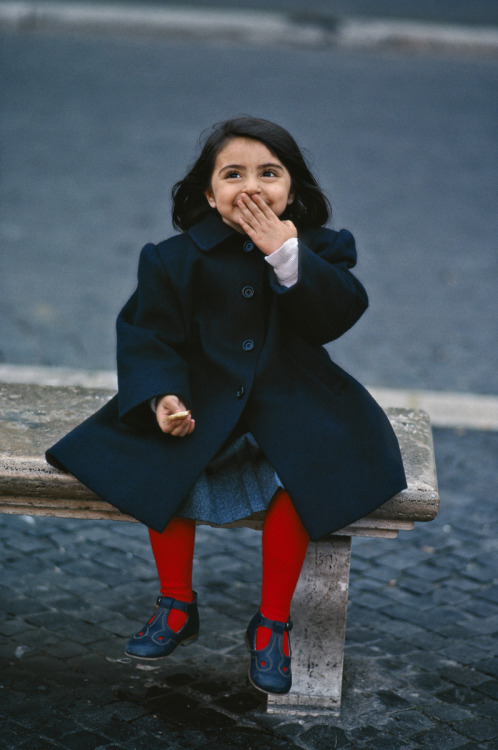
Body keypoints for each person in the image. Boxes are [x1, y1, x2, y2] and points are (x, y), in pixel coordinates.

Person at [46, 116, 406, 696]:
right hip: (202, 402)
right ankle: (176, 603)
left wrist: (288, 257)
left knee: (301, 479)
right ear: (210, 195)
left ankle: (271, 623)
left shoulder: (319, 249)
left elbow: (337, 315)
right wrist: (162, 395)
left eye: (270, 172)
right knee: (162, 463)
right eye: (233, 174)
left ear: (294, 190)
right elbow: (149, 335)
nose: (253, 186)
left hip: (294, 404)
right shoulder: (172, 258)